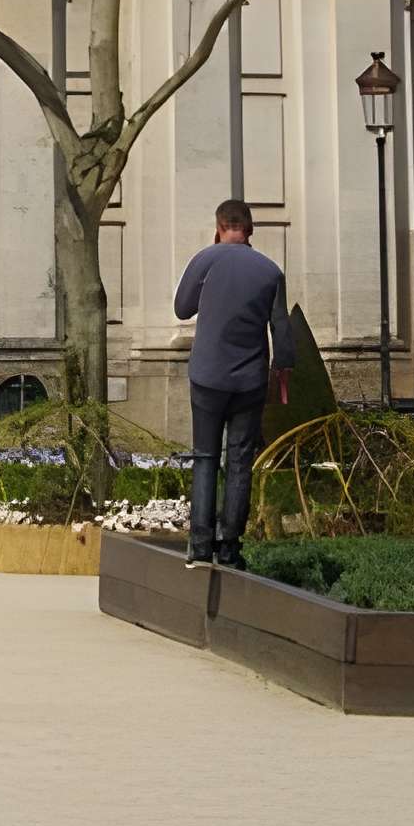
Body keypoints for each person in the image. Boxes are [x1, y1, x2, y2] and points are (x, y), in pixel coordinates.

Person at [173, 198, 289, 571]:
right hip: (249, 381)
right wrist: (282, 372)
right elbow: (282, 335)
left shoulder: (205, 260)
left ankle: (200, 546)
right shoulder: (271, 272)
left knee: (205, 457)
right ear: (251, 229)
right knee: (239, 461)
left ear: (219, 225)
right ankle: (230, 547)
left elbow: (182, 308)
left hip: (207, 376)